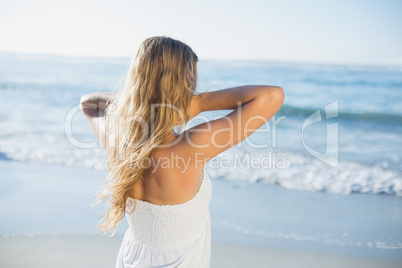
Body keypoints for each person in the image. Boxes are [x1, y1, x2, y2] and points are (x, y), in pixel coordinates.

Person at [79, 36, 284, 267]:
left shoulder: (118, 141)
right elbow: (272, 95)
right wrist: (197, 103)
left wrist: (139, 101)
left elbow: (89, 103)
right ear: (183, 85)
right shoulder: (189, 147)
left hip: (132, 258)